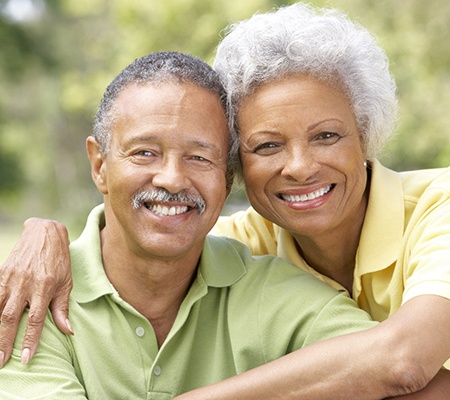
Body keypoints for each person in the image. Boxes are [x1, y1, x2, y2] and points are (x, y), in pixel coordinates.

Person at [1, 2, 450, 399]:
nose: (298, 166)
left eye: (326, 136)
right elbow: (154, 225)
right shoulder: (241, 243)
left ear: (366, 135)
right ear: (236, 168)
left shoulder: (438, 207)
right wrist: (44, 233)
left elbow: (405, 364)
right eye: (268, 145)